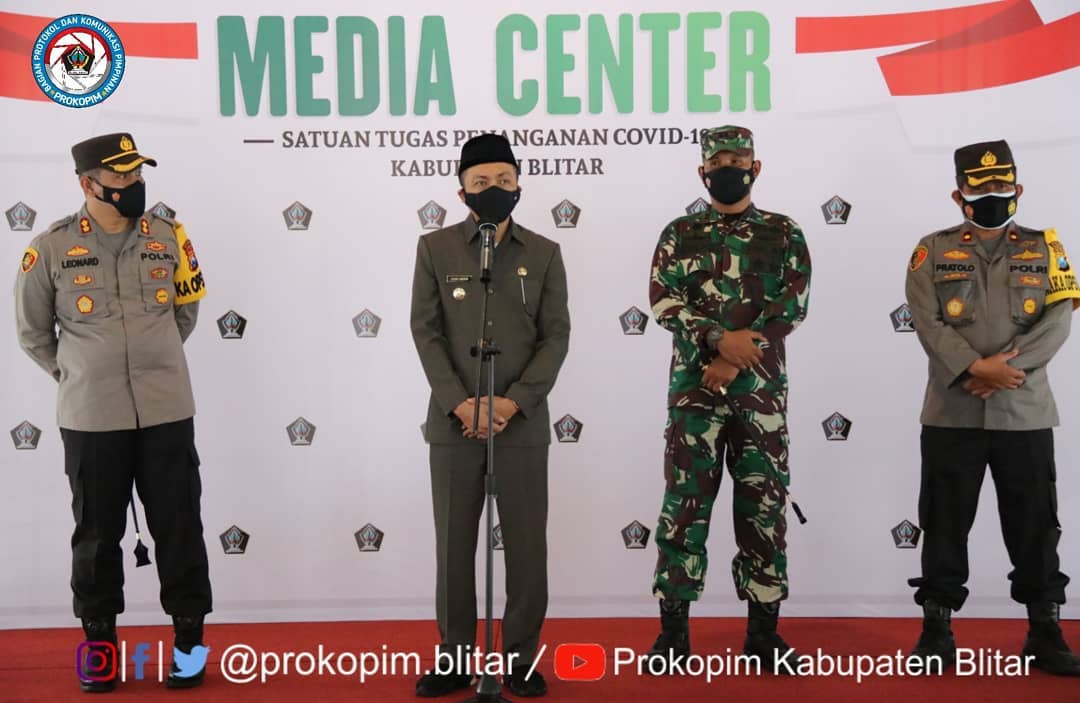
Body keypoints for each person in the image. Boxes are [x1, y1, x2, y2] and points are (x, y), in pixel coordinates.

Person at [14, 133, 212, 692]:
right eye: (122, 176)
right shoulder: (50, 247)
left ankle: (190, 648)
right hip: (91, 417)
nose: (134, 185)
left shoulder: (170, 236)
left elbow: (186, 311)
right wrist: (82, 375)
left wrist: (151, 362)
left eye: (137, 174)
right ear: (88, 184)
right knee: (97, 536)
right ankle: (99, 651)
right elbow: (33, 333)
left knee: (179, 526)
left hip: (166, 409)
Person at [905, 139, 1080, 675]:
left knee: (1035, 525)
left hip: (1024, 412)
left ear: (1018, 188)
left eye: (1002, 186)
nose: (992, 196)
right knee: (944, 521)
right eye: (980, 189)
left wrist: (1005, 371)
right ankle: (937, 631)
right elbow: (926, 320)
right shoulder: (931, 250)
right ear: (959, 195)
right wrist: (973, 368)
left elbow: (1059, 319)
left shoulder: (1047, 247)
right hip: (952, 413)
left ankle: (1044, 632)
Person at [409, 133, 571, 697]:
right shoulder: (435, 249)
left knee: (526, 549)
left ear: (519, 186)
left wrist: (513, 401)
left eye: (504, 180)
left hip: (520, 424)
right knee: (454, 549)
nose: (494, 189)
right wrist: (459, 402)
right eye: (481, 182)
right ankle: (455, 658)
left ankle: (520, 659)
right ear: (462, 192)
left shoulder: (544, 253)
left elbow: (555, 337)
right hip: (453, 424)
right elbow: (425, 331)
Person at [646, 125, 811, 674]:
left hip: (760, 400)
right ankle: (673, 636)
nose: (728, 170)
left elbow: (792, 306)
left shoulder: (783, 233)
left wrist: (735, 356)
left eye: (738, 161)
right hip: (695, 397)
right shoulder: (680, 233)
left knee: (763, 510)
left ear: (755, 168)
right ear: (703, 172)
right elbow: (663, 301)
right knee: (683, 508)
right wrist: (716, 339)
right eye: (718, 163)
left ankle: (763, 635)